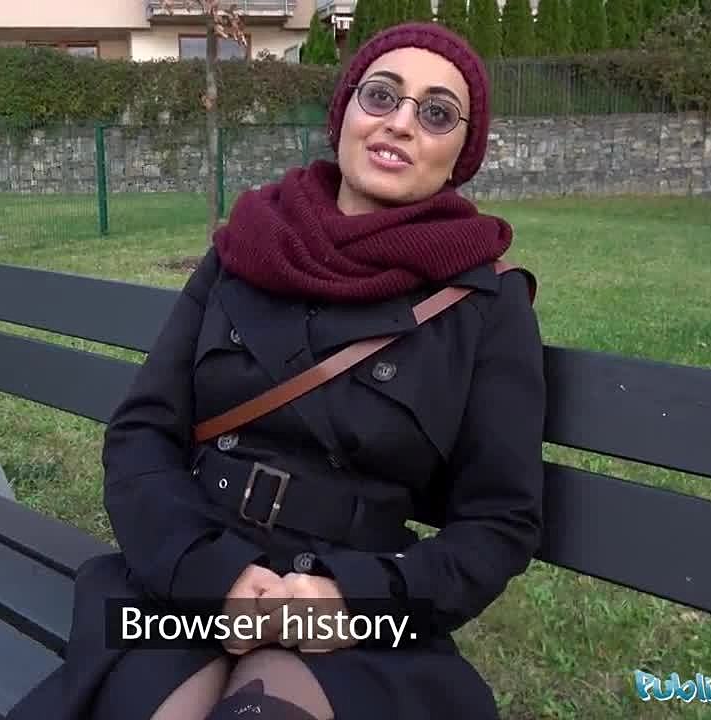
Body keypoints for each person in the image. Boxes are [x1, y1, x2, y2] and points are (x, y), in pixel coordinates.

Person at [30, 21, 546, 720]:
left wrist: (352, 602)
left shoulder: (484, 300)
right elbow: (142, 432)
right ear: (344, 113)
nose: (400, 123)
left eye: (436, 113)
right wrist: (210, 573)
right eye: (381, 95)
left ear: (462, 152)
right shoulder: (245, 247)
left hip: (356, 611)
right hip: (190, 567)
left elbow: (499, 521)